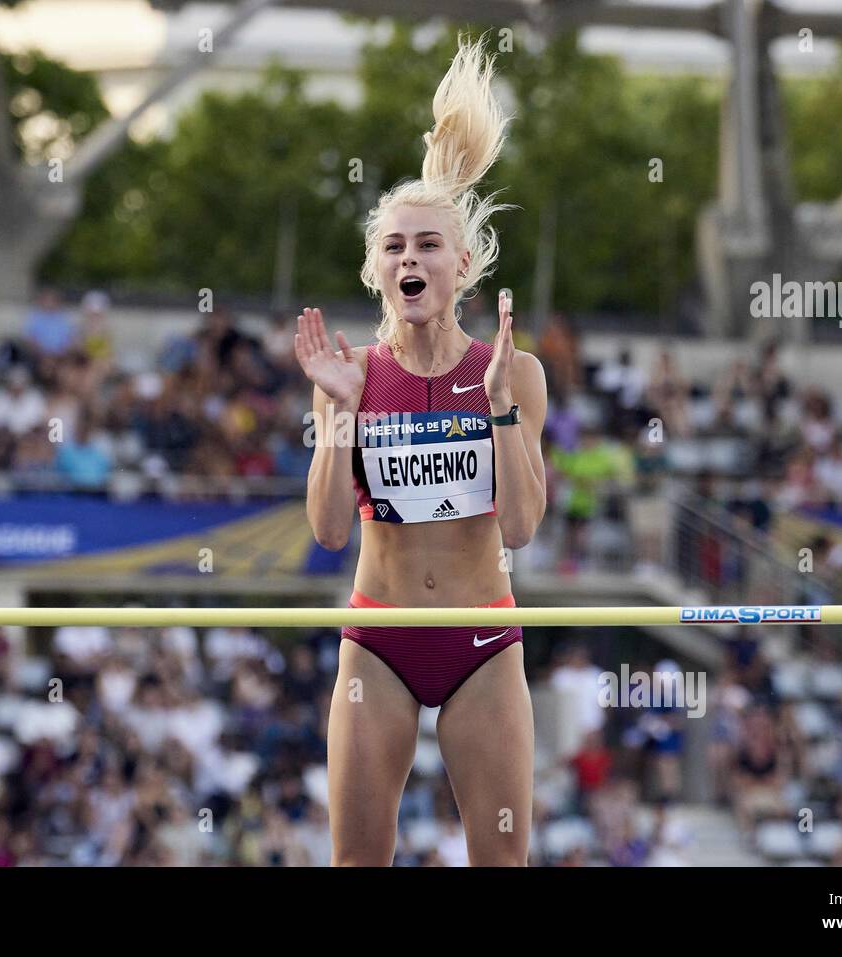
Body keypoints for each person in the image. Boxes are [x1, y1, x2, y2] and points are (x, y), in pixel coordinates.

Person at [294, 35, 547, 866]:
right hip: (381, 640)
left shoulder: (513, 372)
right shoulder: (350, 375)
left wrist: (502, 409)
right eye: (395, 246)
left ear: (462, 264)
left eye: (427, 244)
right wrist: (337, 415)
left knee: (501, 860)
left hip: (481, 642)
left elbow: (521, 528)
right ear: (378, 271)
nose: (410, 256)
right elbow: (330, 531)